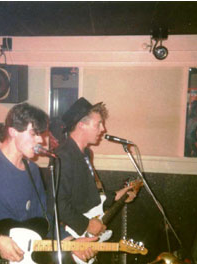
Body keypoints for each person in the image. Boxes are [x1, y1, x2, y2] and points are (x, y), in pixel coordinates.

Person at [0, 103, 95, 263]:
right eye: (34, 133)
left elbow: (45, 217)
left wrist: (71, 242)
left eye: (40, 134)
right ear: (13, 131)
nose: (40, 140)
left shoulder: (32, 170)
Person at [55, 97, 137, 263]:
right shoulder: (63, 156)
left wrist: (117, 194)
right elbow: (58, 203)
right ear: (81, 125)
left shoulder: (85, 154)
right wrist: (86, 224)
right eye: (98, 124)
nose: (103, 129)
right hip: (72, 235)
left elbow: (88, 195)